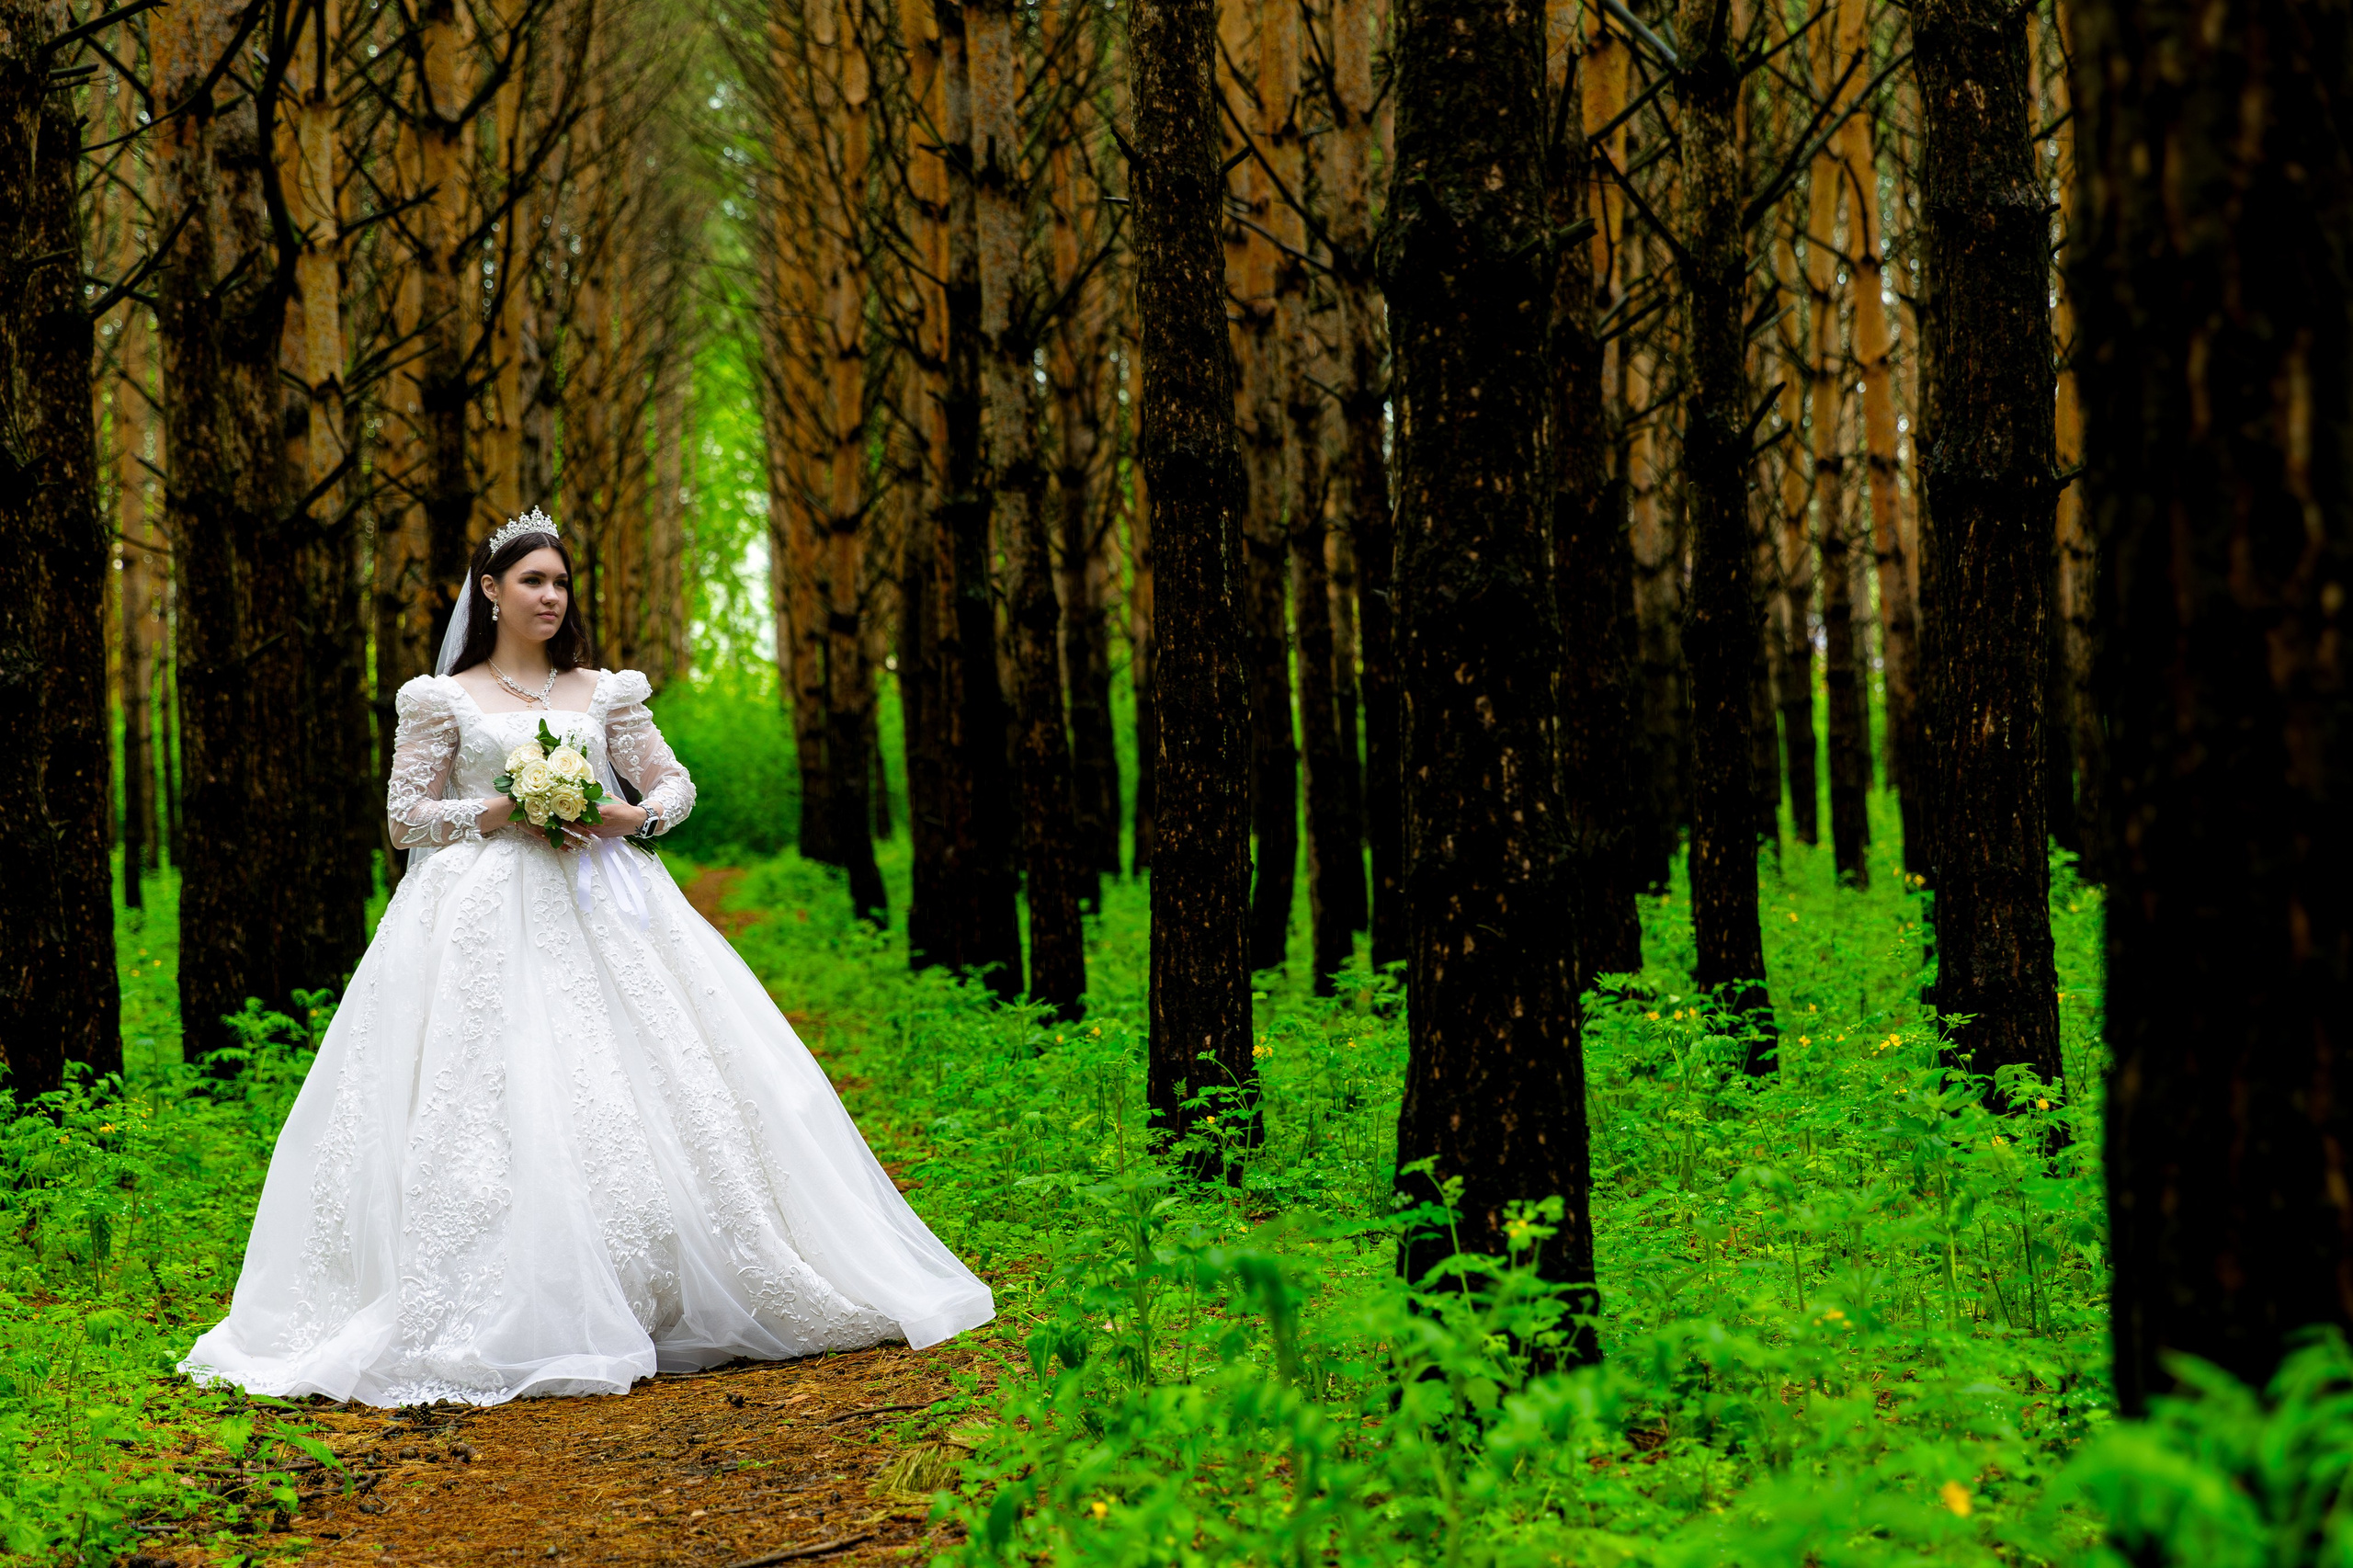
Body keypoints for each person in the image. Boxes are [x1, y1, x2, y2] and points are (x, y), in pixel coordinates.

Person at [181, 510, 993, 1408]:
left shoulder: (604, 693)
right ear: (490, 590)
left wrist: (625, 816)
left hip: (607, 901)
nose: (549, 596)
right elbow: (406, 816)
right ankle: (505, 1284)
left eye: (559, 583)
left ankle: (662, 1279)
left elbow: (675, 784)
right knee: (495, 1091)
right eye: (531, 580)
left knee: (651, 1084)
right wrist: (497, 811)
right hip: (479, 916)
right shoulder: (441, 698)